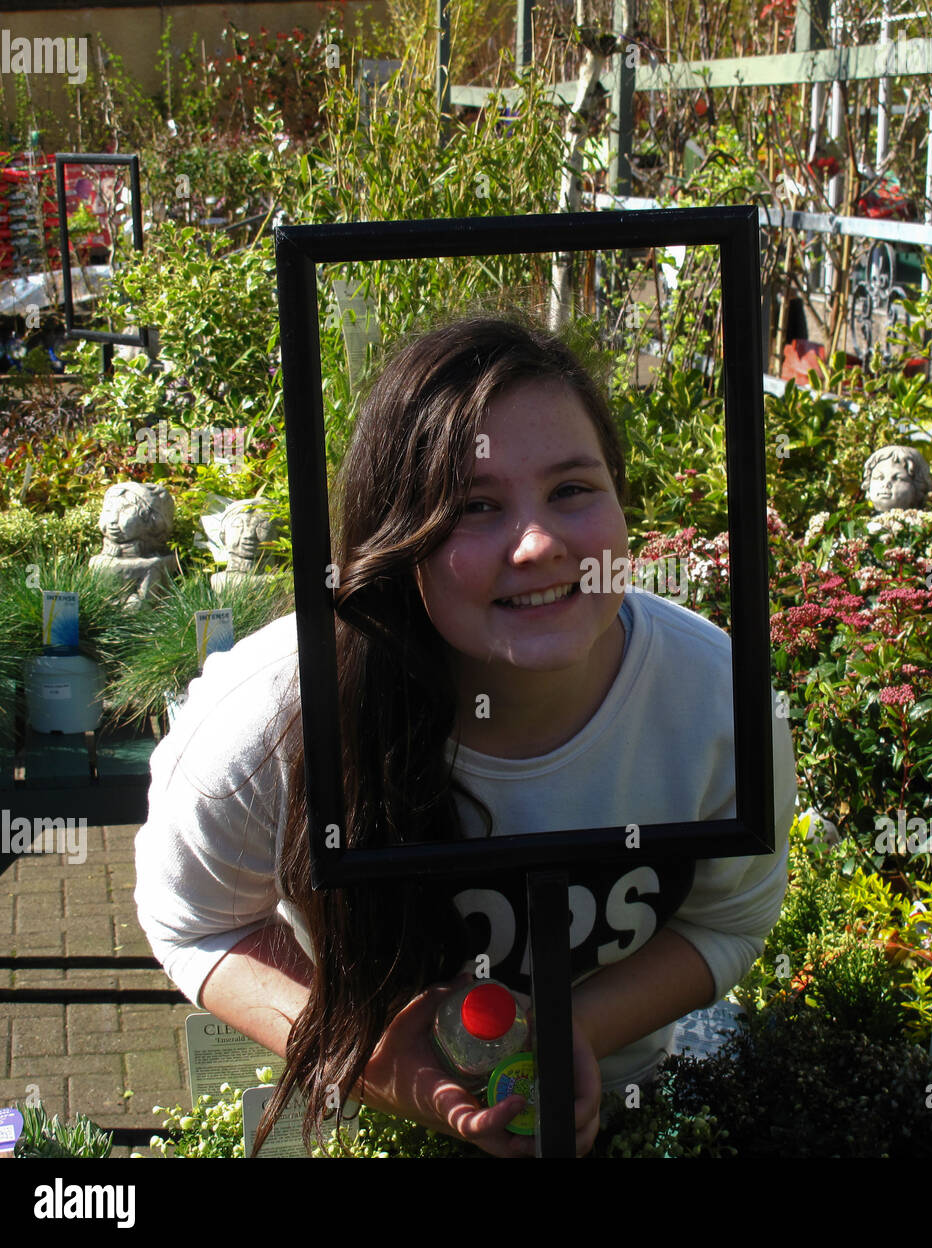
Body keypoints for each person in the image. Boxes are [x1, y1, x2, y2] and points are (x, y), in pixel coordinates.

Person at [134, 314, 797, 1158]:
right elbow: (197, 923)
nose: (540, 543)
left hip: (626, 1117)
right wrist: (370, 1056)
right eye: (475, 507)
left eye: (572, 490)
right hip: (360, 1127)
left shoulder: (717, 703)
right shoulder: (271, 719)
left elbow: (724, 920)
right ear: (395, 538)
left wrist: (569, 1037)